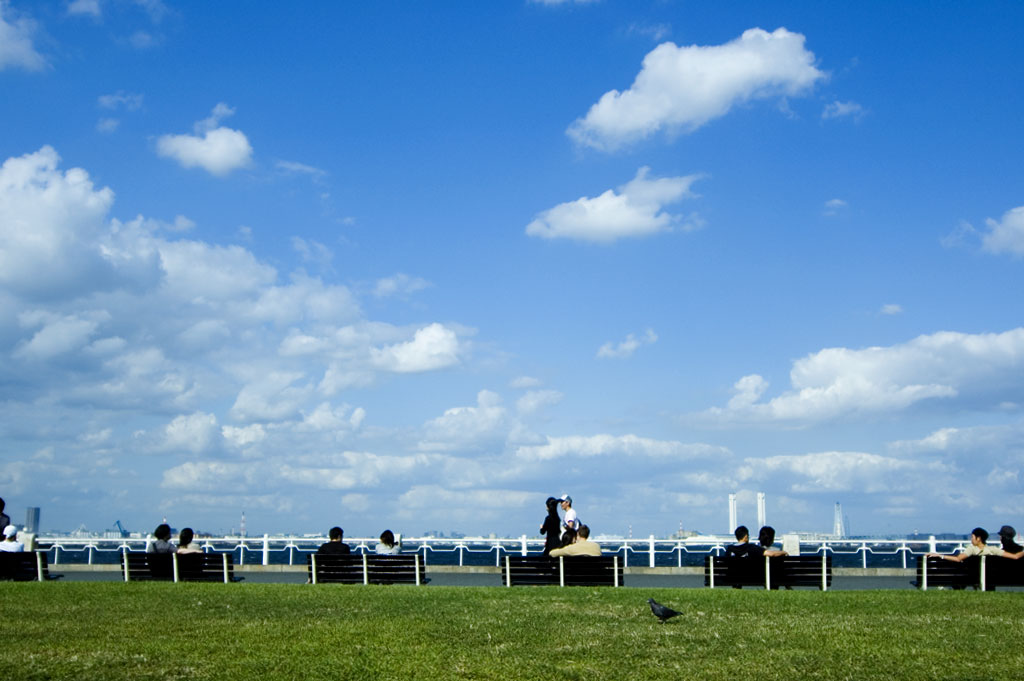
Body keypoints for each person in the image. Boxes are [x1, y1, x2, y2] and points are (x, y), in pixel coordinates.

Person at [927, 527, 1002, 562]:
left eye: (972, 537)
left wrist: (941, 556)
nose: (971, 539)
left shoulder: (972, 549)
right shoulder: (992, 550)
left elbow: (958, 559)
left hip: (973, 576)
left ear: (978, 538)